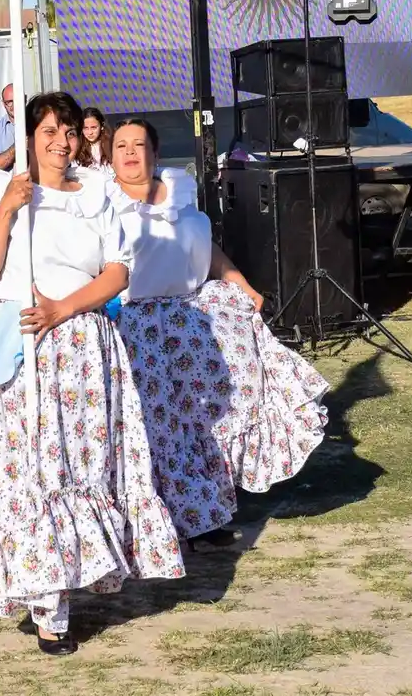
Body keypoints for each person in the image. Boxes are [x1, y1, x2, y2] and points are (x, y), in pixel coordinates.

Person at [0, 92, 184, 655]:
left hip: (84, 349)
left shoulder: (98, 193)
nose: (61, 142)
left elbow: (117, 272)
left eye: (68, 131)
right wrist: (10, 207)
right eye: (48, 131)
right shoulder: (1, 189)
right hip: (25, 352)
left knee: (80, 470)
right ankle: (46, 607)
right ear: (30, 136)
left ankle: (79, 575)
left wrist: (65, 308)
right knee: (33, 474)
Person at [106, 118, 329, 545]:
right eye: (121, 146)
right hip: (137, 328)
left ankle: (208, 509)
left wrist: (240, 283)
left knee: (212, 416)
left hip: (195, 321)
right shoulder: (104, 204)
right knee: (162, 428)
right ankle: (172, 517)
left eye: (139, 144)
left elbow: (206, 250)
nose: (131, 152)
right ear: (110, 155)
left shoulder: (181, 192)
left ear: (155, 153)